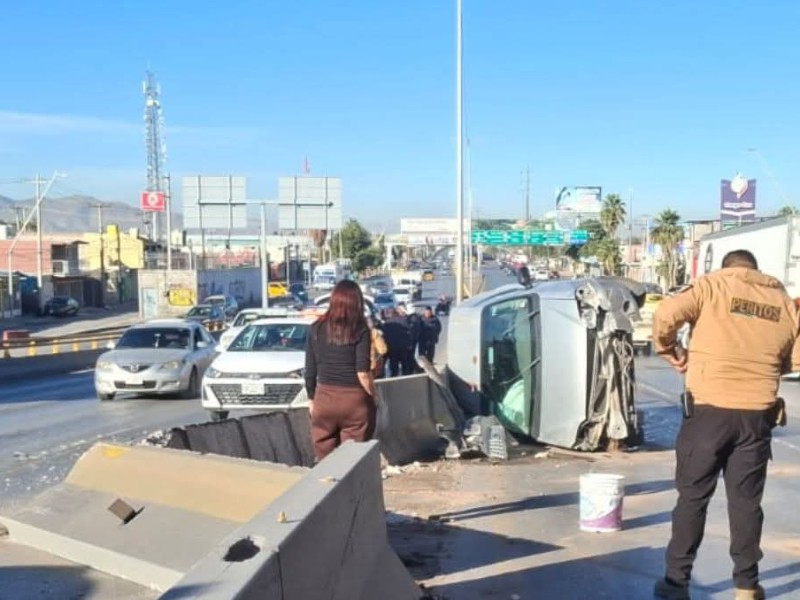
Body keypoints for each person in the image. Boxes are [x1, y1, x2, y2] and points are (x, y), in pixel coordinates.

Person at [652, 250, 799, 600]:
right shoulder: (782, 302)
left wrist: (670, 351)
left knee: (692, 499)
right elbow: (794, 360)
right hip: (756, 418)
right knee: (746, 504)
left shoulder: (711, 287)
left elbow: (664, 316)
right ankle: (747, 587)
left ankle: (676, 584)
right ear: (755, 269)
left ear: (727, 268)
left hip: (708, 415)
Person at [304, 280, 376, 461]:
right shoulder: (360, 329)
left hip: (324, 400)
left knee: (325, 462)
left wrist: (312, 399)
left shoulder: (316, 328)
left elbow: (310, 370)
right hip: (354, 402)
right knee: (351, 462)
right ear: (357, 303)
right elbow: (362, 372)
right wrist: (373, 396)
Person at [381, 307, 415, 377]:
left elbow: (384, 336)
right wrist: (410, 344)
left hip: (392, 348)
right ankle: (406, 378)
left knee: (394, 366)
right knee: (404, 364)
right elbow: (409, 333)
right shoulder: (404, 320)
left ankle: (394, 379)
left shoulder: (387, 323)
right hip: (403, 347)